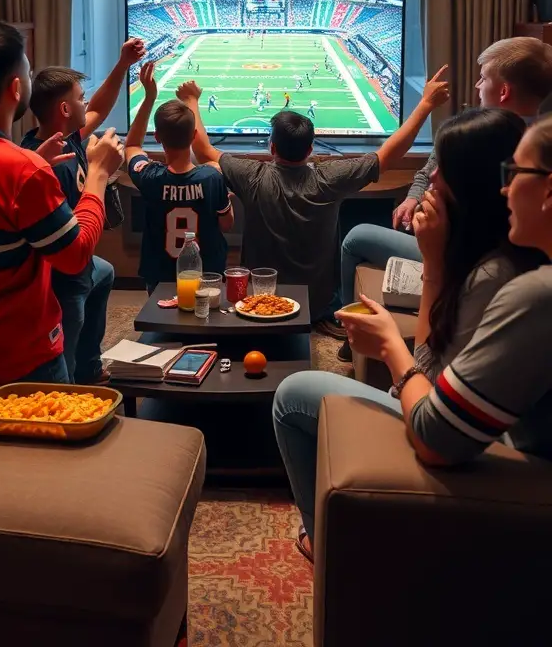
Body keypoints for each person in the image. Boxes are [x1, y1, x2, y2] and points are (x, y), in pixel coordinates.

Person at [272, 107, 545, 560]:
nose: (431, 177)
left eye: (443, 170)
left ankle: (326, 547)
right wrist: (434, 263)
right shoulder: (505, 258)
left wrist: (389, 346)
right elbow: (438, 370)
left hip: (493, 460)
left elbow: (434, 432)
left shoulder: (507, 280)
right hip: (478, 428)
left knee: (293, 394)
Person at [175, 69, 449, 326]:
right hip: (316, 301)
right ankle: (334, 314)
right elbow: (388, 155)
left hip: (259, 295)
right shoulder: (329, 177)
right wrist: (425, 104)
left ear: (271, 147)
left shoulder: (252, 175)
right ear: (310, 150)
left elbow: (203, 151)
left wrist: (191, 100)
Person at [341, 36, 552, 313]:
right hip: (461, 252)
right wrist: (413, 198)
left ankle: (345, 325)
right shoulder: (534, 139)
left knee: (356, 237)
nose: (476, 86)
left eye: (483, 78)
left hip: (455, 256)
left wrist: (435, 251)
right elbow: (431, 166)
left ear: (503, 91)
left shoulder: (486, 141)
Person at [0, 22, 123, 398]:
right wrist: (99, 176)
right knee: (51, 447)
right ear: (15, 89)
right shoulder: (22, 169)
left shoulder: (21, 163)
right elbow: (74, 257)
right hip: (17, 354)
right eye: (26, 70)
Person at [21, 37, 145, 382]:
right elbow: (61, 239)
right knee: (64, 346)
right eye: (79, 98)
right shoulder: (50, 162)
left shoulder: (60, 137)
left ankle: (89, 366)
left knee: (104, 273)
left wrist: (122, 65)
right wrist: (100, 173)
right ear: (63, 109)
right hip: (62, 274)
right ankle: (74, 383)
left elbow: (99, 109)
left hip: (83, 265)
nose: (85, 102)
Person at [125, 63, 234, 293]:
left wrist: (149, 97)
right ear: (194, 136)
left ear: (157, 137)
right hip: (207, 274)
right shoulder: (212, 177)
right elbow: (227, 223)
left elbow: (132, 145)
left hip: (161, 275)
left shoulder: (149, 176)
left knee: (161, 320)